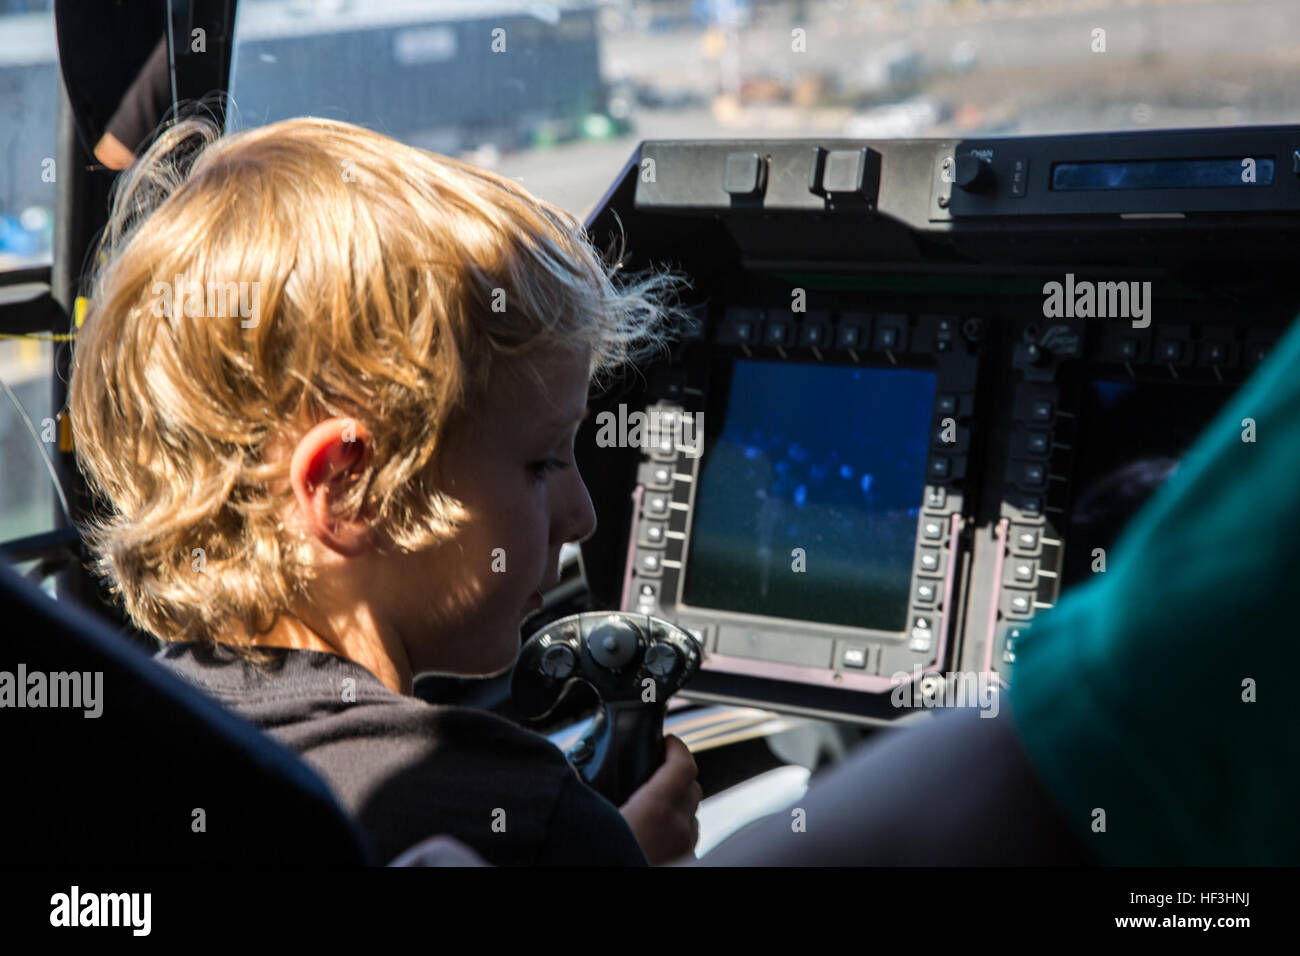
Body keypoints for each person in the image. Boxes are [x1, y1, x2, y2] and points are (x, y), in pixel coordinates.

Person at [66, 116, 701, 866]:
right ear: (346, 489)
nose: (583, 516)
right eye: (540, 464)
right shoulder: (520, 813)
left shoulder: (121, 753)